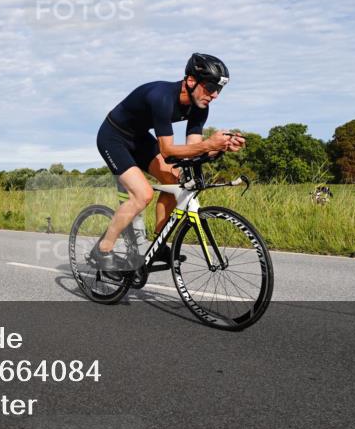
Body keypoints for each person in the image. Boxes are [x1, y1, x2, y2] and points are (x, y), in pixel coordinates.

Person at [91, 53, 246, 271]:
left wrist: (220, 148)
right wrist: (209, 145)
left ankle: (158, 242)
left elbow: (192, 152)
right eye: (211, 87)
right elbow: (167, 151)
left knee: (174, 179)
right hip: (113, 136)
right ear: (191, 81)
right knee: (142, 194)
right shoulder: (161, 97)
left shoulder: (200, 107)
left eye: (219, 90)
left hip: (140, 138)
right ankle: (102, 250)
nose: (215, 95)